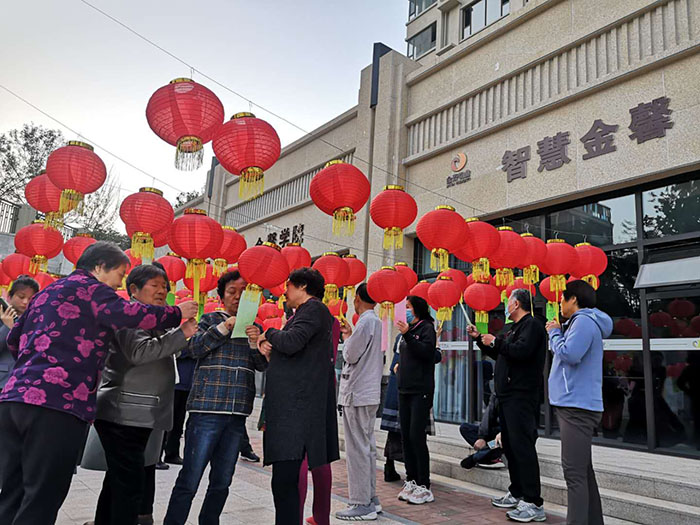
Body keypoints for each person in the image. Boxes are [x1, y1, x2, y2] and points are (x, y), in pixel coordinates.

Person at [0, 241, 196, 525]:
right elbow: (133, 314)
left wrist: (36, 367)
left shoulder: (45, 294)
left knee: (13, 490)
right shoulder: (93, 291)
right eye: (119, 274)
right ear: (100, 267)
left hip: (14, 399)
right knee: (43, 494)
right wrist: (177, 313)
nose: (119, 283)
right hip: (57, 405)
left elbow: (14, 339)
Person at [82, 263, 198, 525]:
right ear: (133, 289)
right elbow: (140, 352)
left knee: (118, 481)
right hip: (125, 412)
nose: (162, 291)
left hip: (137, 412)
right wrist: (180, 333)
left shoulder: (149, 319)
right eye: (154, 285)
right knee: (129, 487)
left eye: (165, 286)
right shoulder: (129, 316)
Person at [164, 270, 266, 525]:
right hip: (206, 410)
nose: (237, 297)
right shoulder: (210, 319)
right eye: (232, 292)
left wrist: (256, 344)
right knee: (190, 478)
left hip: (237, 414)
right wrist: (224, 327)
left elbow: (261, 367)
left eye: (244, 293)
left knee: (222, 481)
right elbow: (194, 348)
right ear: (221, 296)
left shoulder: (256, 327)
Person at [256, 267, 339, 525]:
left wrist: (269, 333)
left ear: (302, 286)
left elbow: (292, 342)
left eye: (288, 286)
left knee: (286, 482)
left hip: (297, 412)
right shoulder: (304, 313)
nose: (285, 292)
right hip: (293, 409)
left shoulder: (313, 309)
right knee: (284, 482)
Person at [468, 288, 547, 522]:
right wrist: (480, 340)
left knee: (523, 448)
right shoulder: (514, 329)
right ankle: (517, 491)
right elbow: (503, 354)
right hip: (507, 397)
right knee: (511, 448)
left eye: (507, 302)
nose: (505, 306)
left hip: (521, 397)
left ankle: (534, 502)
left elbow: (520, 352)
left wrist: (497, 342)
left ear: (516, 303)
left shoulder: (531, 325)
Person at [546, 279, 612, 525]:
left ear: (573, 299)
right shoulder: (582, 322)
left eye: (563, 299)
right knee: (583, 471)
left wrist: (554, 332)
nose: (560, 304)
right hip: (576, 404)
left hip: (577, 406)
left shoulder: (583, 321)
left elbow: (571, 355)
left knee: (573, 473)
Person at [335, 283, 384, 521]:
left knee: (357, 450)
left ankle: (360, 502)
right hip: (368, 391)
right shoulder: (375, 321)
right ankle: (370, 499)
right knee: (367, 447)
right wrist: (350, 334)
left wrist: (347, 337)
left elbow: (350, 355)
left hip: (357, 392)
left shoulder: (366, 321)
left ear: (357, 299)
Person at [395, 295, 437, 506]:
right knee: (406, 437)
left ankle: (424, 484)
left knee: (416, 436)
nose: (406, 311)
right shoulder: (406, 332)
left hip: (421, 390)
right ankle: (411, 479)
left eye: (408, 307)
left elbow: (427, 353)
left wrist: (408, 335)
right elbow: (407, 354)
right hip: (404, 389)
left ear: (417, 309)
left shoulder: (426, 328)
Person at [0, 276, 39, 389]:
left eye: (31, 298)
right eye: (21, 296)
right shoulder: (2, 319)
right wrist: (7, 327)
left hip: (23, 383)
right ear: (9, 296)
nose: (25, 302)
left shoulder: (35, 321)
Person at [162, 347, 197, 466]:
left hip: (189, 384)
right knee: (165, 421)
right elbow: (175, 353)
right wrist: (191, 350)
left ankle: (172, 453)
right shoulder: (181, 333)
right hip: (175, 383)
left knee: (178, 421)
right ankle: (156, 456)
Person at [459, 392, 504, 470]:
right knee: (465, 428)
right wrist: (482, 437)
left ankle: (477, 457)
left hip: (507, 434)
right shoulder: (497, 393)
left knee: (501, 440)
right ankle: (488, 452)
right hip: (494, 434)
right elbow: (488, 415)